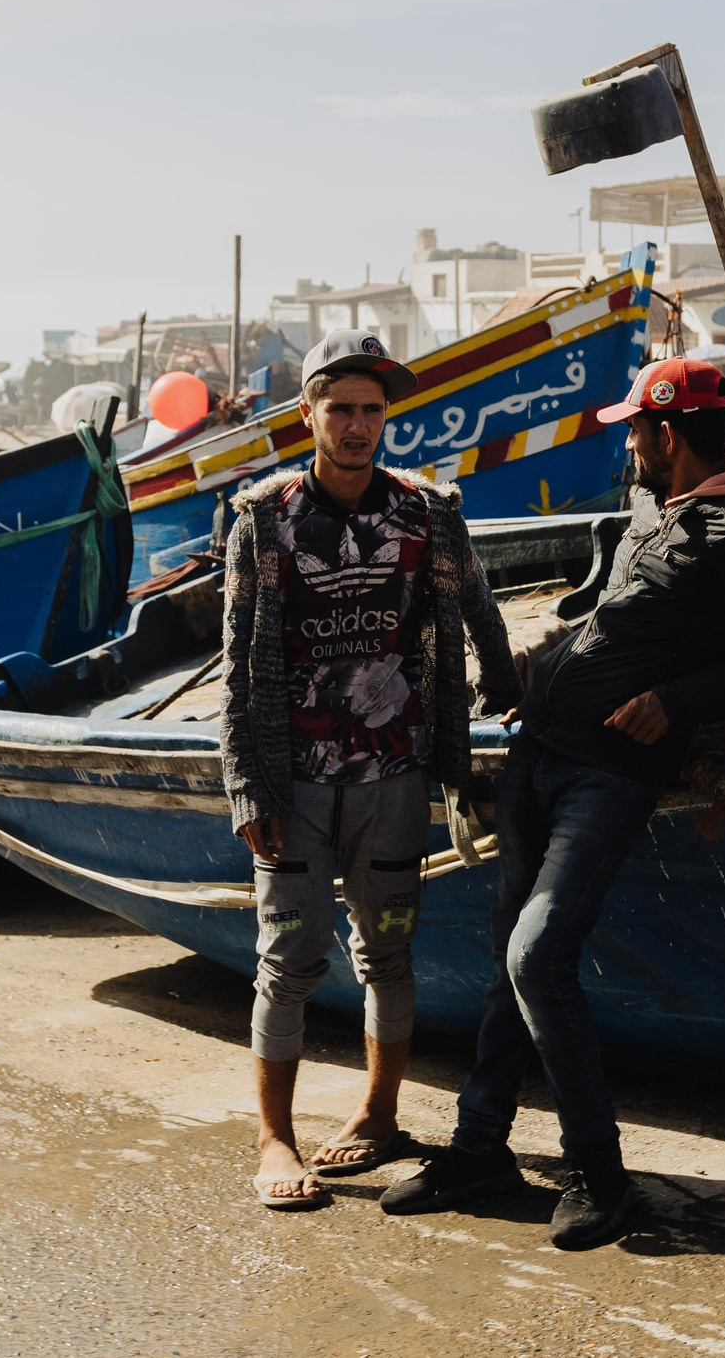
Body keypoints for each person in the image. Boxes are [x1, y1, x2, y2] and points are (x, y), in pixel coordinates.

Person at [381, 356, 725, 1249]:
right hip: (539, 754)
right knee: (508, 957)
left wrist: (679, 701)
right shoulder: (654, 511)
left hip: (609, 774)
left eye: (636, 430)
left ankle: (598, 1174)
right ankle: (478, 1149)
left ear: (670, 434)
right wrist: (544, 662)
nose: (629, 445)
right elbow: (612, 619)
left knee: (538, 956)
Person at [220, 328, 522, 1210]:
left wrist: (512, 701)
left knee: (387, 950)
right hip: (295, 782)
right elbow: (238, 666)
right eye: (341, 408)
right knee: (289, 959)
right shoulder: (263, 520)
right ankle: (275, 1138)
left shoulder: (427, 512)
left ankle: (380, 1113)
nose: (357, 426)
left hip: (395, 776)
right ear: (308, 412)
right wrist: (247, 786)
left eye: (372, 410)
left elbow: (480, 611)